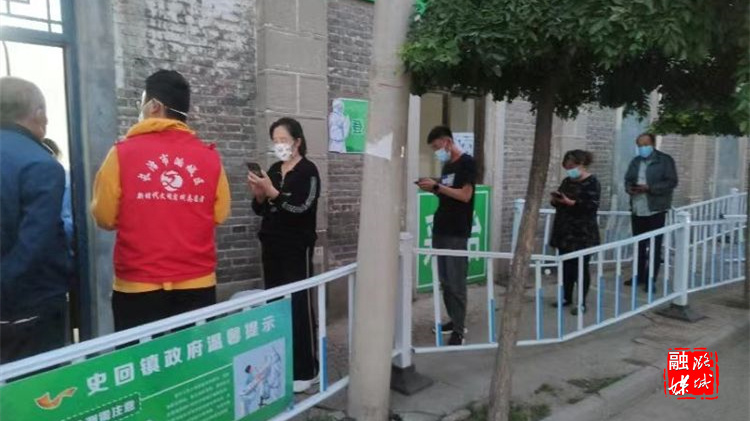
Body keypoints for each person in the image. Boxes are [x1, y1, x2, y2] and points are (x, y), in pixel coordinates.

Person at [91, 69, 231, 331]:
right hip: (197, 284)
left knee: (143, 355)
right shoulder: (210, 157)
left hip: (138, 286)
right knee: (191, 356)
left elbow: (104, 217)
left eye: (142, 101)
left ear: (154, 105)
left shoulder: (121, 154)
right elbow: (220, 214)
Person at [0, 76, 71, 363]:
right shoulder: (40, 164)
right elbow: (35, 244)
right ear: (38, 113)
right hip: (29, 306)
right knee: (39, 383)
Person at [248, 117, 320, 393]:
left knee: (298, 305)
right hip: (271, 245)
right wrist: (259, 195)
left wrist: (273, 193)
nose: (279, 145)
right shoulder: (274, 169)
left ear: (297, 142)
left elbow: (301, 208)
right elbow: (261, 209)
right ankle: (282, 363)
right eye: (275, 141)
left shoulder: (308, 171)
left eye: (283, 140)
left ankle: (307, 369)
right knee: (276, 305)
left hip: (296, 248)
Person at [417, 126, 476, 346]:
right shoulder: (447, 165)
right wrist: (434, 188)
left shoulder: (467, 163)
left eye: (437, 147)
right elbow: (447, 193)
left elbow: (465, 195)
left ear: (447, 142)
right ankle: (453, 319)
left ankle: (459, 330)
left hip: (457, 231)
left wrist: (438, 187)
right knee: (445, 281)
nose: (436, 152)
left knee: (456, 281)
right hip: (441, 228)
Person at [624, 133, 678, 292]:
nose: (642, 148)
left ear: (653, 144)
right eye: (639, 145)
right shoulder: (636, 161)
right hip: (637, 207)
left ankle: (650, 279)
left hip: (655, 208)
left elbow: (671, 182)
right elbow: (628, 179)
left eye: (645, 144)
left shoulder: (664, 160)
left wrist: (650, 188)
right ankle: (638, 275)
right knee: (639, 245)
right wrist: (630, 188)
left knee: (654, 246)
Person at [549, 150, 601, 315]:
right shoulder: (567, 181)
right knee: (566, 267)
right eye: (567, 167)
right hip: (565, 230)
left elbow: (591, 206)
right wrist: (556, 200)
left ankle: (581, 302)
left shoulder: (592, 182)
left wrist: (571, 202)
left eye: (572, 167)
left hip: (583, 232)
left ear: (582, 165)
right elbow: (559, 201)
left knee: (580, 268)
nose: (570, 170)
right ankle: (566, 297)